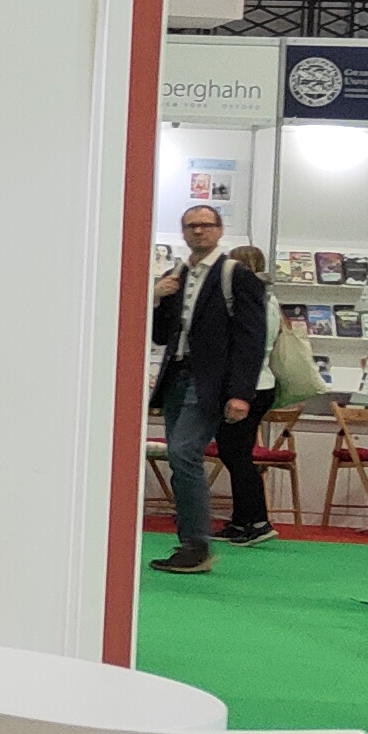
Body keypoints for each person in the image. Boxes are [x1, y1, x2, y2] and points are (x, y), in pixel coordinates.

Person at [147, 201, 266, 577]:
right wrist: (157, 297)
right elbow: (161, 335)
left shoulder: (236, 276)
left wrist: (241, 393)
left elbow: (251, 339)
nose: (198, 231)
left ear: (219, 230)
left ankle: (196, 545)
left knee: (184, 453)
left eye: (205, 224)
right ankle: (190, 543)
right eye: (191, 225)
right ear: (183, 232)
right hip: (177, 377)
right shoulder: (177, 274)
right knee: (179, 457)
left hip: (211, 382)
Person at [217, 244, 320, 545]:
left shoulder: (252, 299)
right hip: (261, 383)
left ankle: (258, 520)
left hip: (250, 385)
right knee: (236, 453)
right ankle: (241, 521)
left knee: (236, 455)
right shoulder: (270, 299)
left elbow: (250, 343)